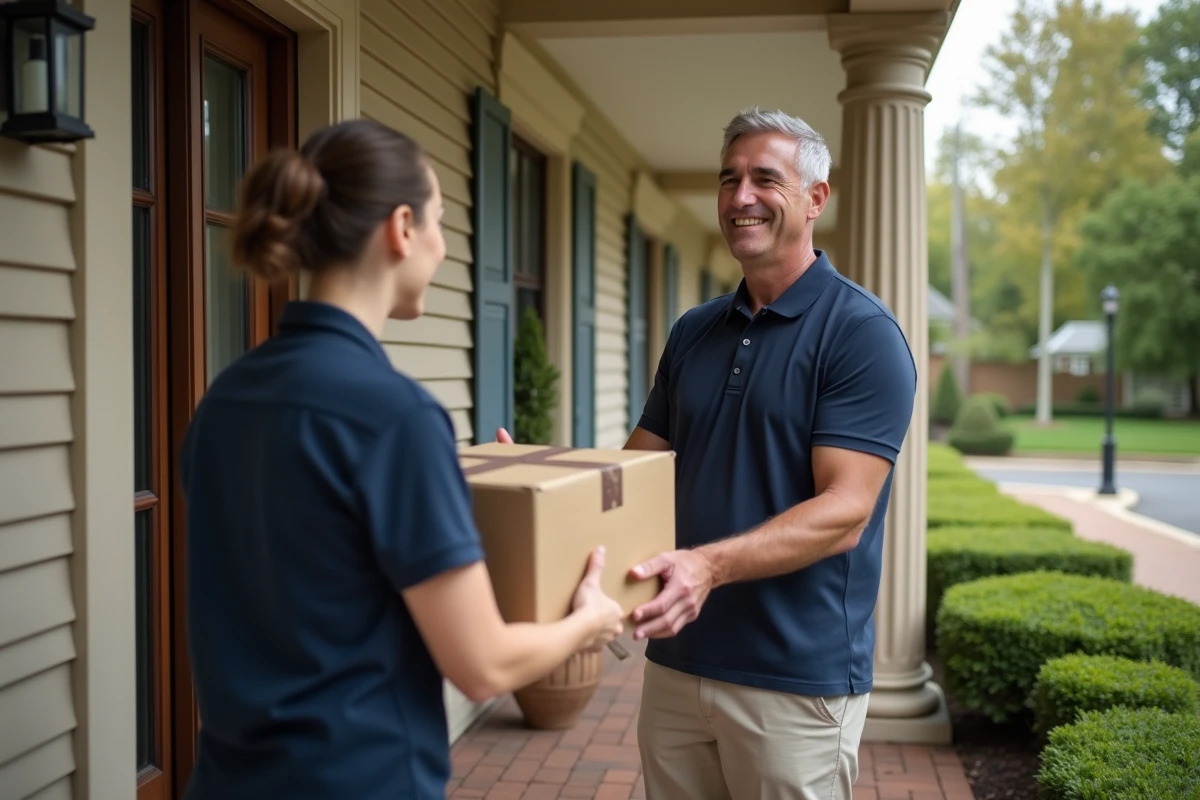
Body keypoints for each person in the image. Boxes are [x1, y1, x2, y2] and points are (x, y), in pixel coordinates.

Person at [177, 118, 625, 800]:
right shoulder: (397, 419)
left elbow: (322, 572)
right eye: (441, 223)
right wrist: (592, 619)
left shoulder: (223, 402)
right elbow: (483, 667)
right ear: (402, 227)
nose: (444, 249)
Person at [620, 108, 917, 799]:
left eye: (764, 179)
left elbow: (845, 512)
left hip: (794, 682)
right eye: (729, 180)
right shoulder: (694, 332)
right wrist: (549, 484)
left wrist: (707, 566)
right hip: (677, 663)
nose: (740, 197)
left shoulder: (860, 334)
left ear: (816, 198)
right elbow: (639, 472)